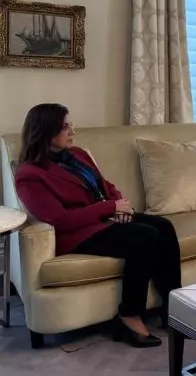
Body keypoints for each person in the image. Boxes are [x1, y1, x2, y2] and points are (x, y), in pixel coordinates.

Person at [14, 104, 181, 348]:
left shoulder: (78, 154)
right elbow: (59, 219)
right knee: (144, 237)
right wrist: (110, 208)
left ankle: (173, 307)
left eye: (71, 125)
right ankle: (129, 315)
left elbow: (106, 185)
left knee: (163, 226)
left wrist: (119, 205)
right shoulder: (29, 175)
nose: (72, 131)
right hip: (78, 233)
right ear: (46, 131)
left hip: (105, 218)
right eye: (65, 127)